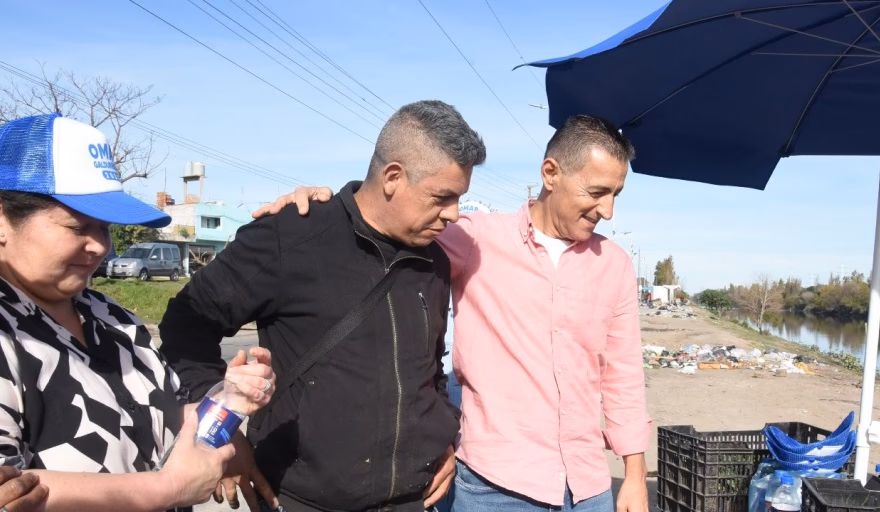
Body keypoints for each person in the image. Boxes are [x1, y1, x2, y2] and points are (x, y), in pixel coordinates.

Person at [259, 115, 652, 512]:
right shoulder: (472, 238)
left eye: (616, 194)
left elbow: (623, 376)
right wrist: (314, 209)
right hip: (495, 489)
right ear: (551, 173)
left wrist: (635, 476)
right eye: (597, 192)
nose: (608, 210)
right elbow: (382, 222)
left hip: (589, 489)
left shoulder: (614, 264)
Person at [158, 100, 487, 512]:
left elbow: (430, 368)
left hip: (412, 500)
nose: (453, 214)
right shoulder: (291, 235)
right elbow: (186, 325)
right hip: (299, 498)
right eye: (442, 197)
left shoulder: (434, 261)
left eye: (459, 198)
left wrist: (440, 438)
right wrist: (219, 432)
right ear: (393, 177)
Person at [0, 113, 277, 512]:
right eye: (78, 227)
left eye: (104, 228)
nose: (101, 246)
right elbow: (10, 488)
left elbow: (163, 420)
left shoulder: (110, 316)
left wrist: (228, 402)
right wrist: (166, 488)